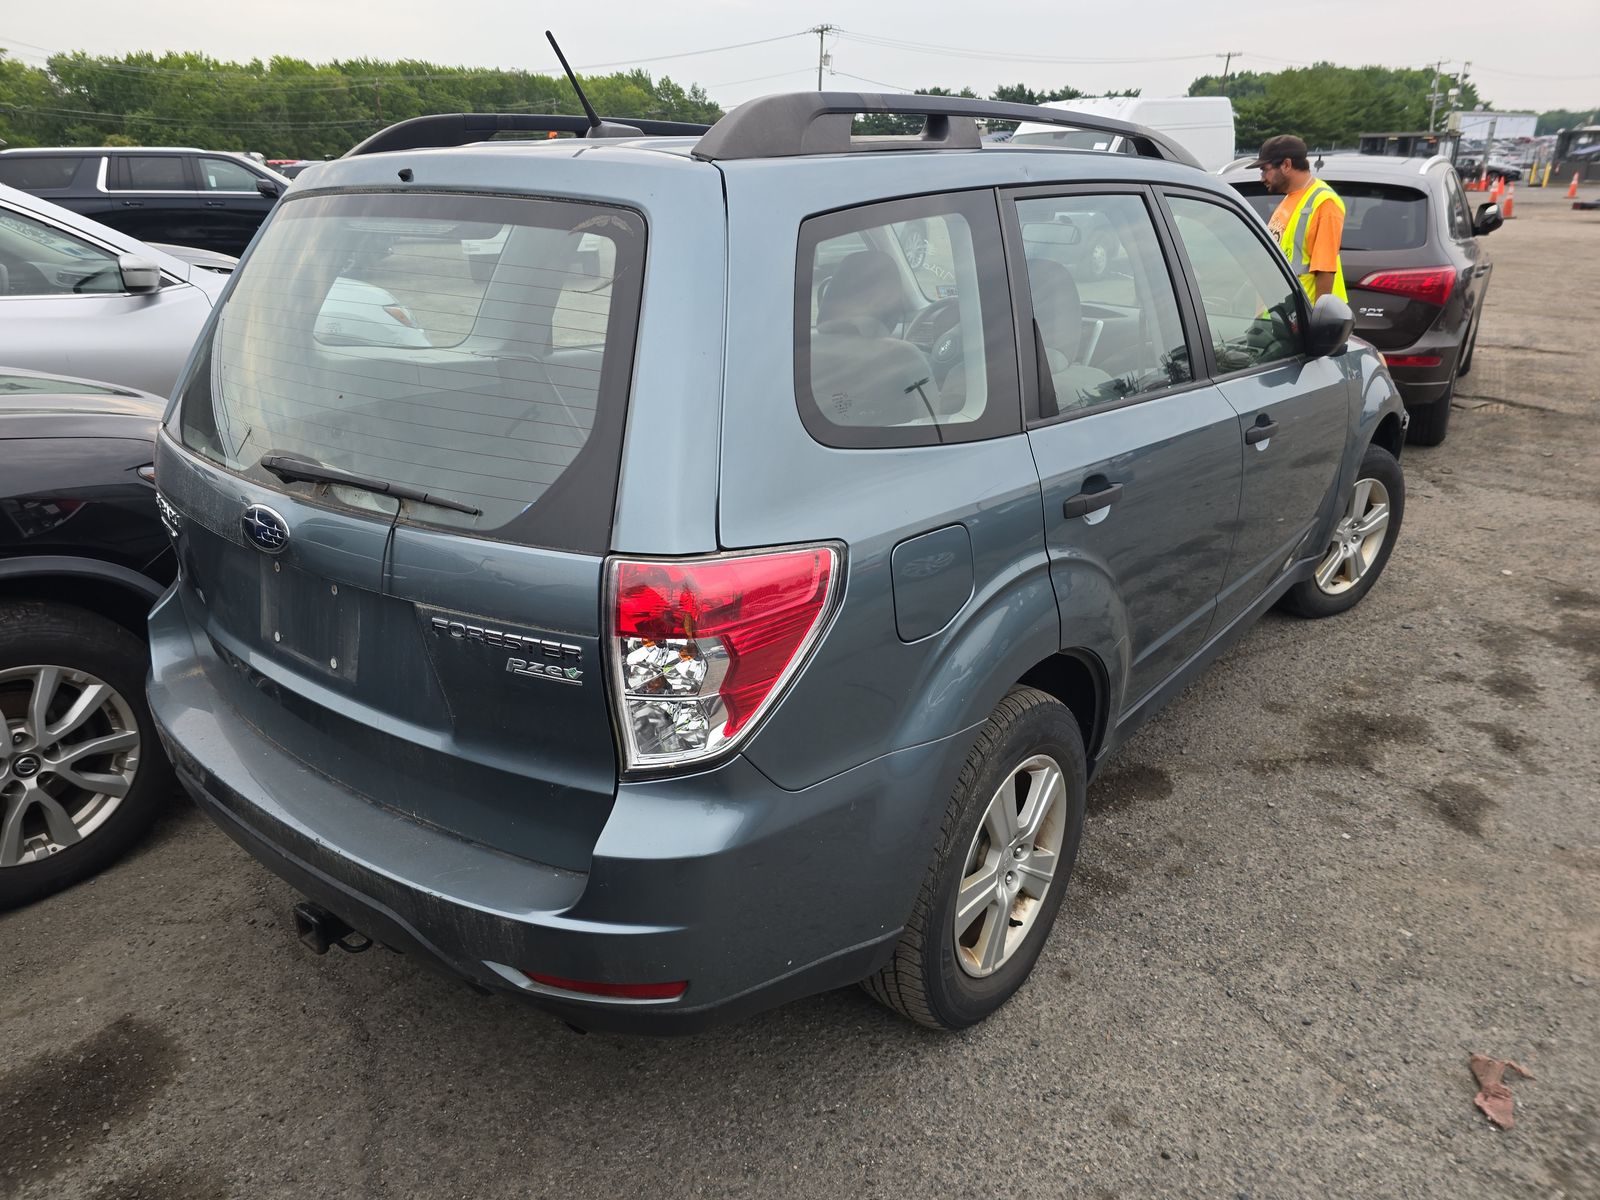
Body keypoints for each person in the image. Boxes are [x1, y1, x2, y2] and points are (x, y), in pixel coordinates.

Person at [1249, 134, 1347, 303]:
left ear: (1286, 165)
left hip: (1304, 316)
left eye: (1265, 169)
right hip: (1284, 313)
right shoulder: (1292, 198)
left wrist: (1319, 321)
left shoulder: (1324, 203)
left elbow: (1325, 271)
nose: (1262, 178)